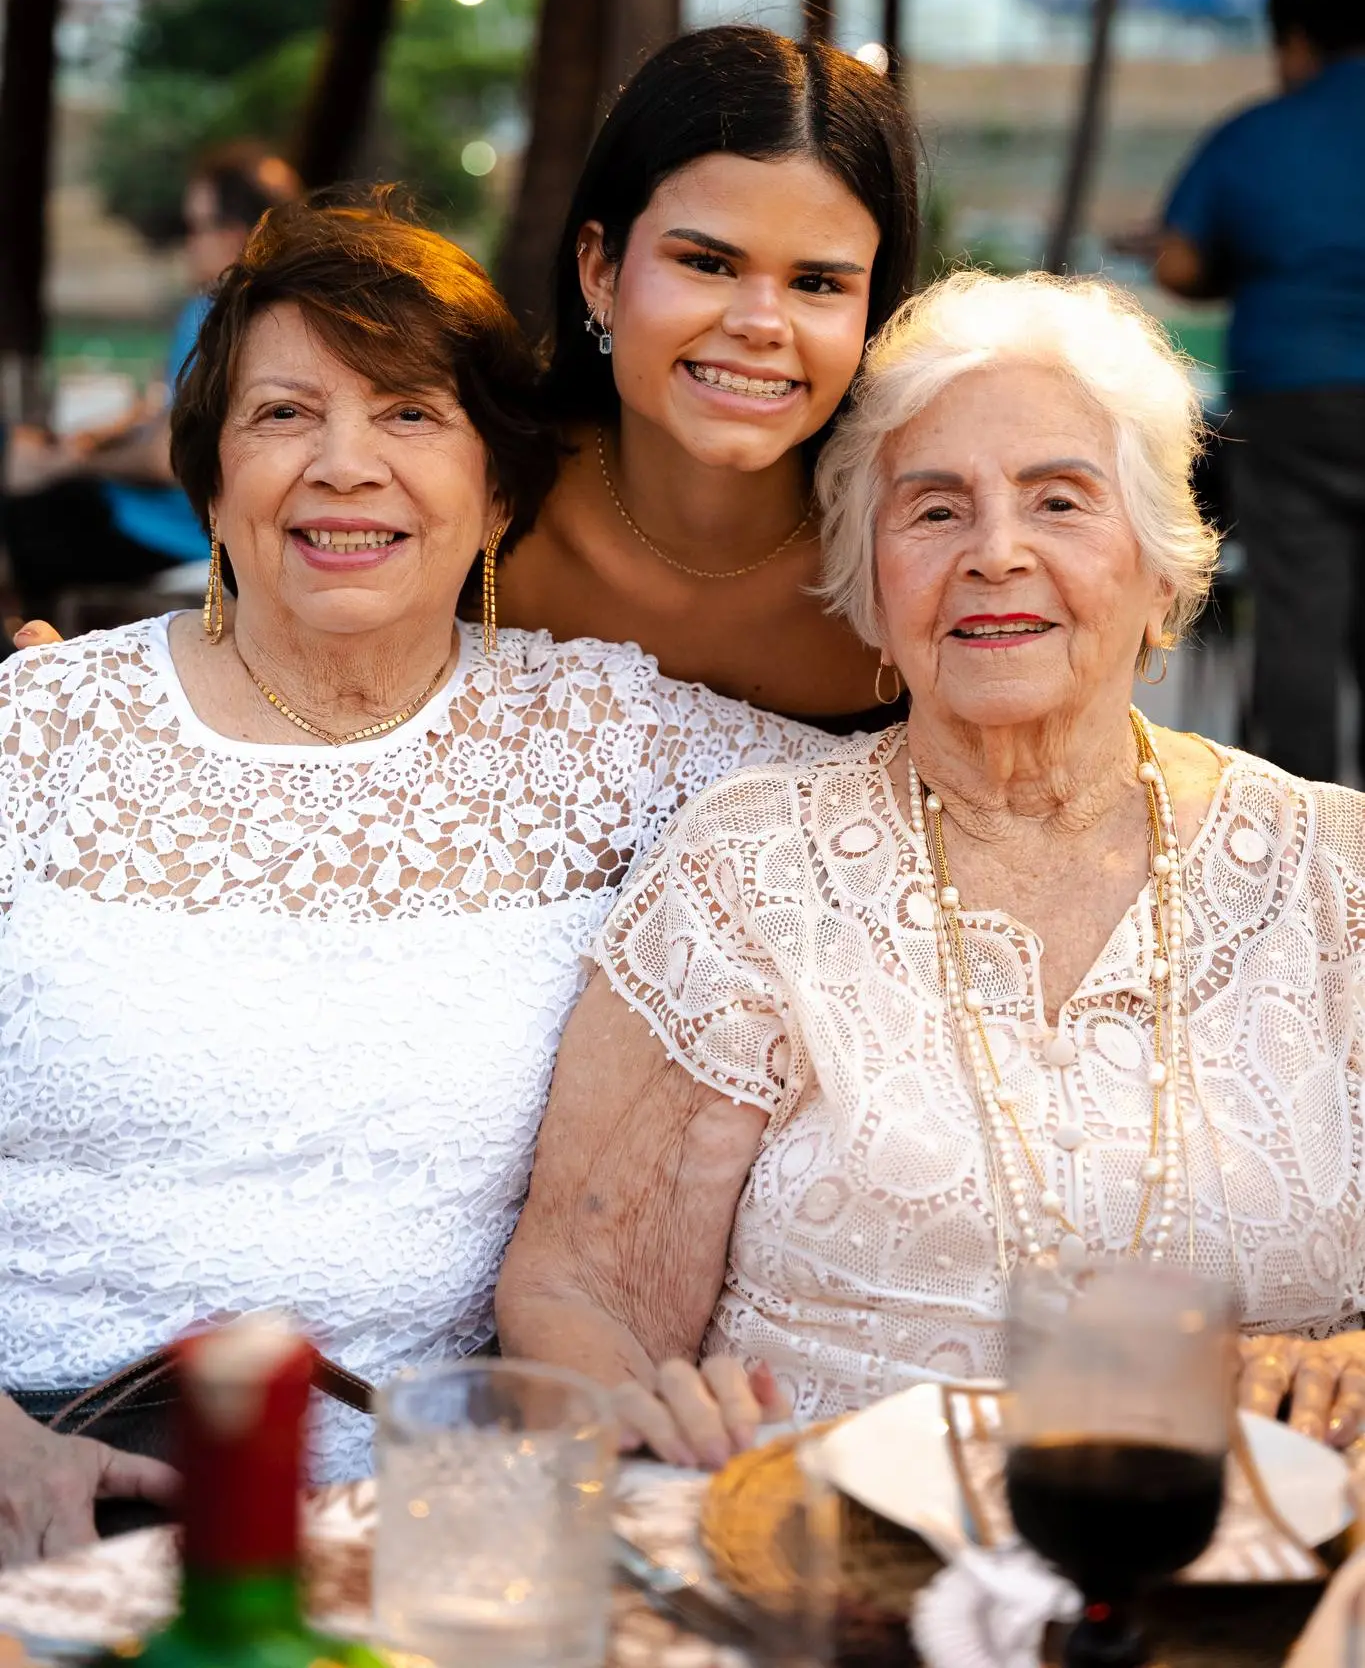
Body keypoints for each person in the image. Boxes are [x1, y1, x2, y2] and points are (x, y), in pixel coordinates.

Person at [0, 193, 832, 1564]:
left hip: (434, 1537)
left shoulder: (606, 735)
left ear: (497, 491)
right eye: (284, 414)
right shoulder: (40, 733)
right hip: (53, 1497)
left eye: (408, 413)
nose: (345, 465)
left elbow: (938, 799)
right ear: (210, 482)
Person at [498, 270, 1365, 1469]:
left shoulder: (1338, 876)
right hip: (822, 1537)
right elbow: (584, 1289)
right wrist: (645, 1421)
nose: (995, 552)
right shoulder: (751, 869)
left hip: (1245, 1544)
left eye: (1059, 500)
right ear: (871, 585)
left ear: (1162, 570)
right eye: (936, 509)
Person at [498, 24, 919, 731]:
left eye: (817, 283)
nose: (761, 324)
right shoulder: (472, 519)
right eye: (706, 264)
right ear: (600, 272)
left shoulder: (924, 569)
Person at [1156, 0, 1365, 781]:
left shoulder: (1255, 133)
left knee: (1297, 614)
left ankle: (1305, 820)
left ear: (1297, 42)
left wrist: (1244, 268)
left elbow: (1176, 263)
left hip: (1294, 397)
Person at [1, 144, 299, 621]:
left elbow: (168, 457)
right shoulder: (278, 316)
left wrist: (72, 463)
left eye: (194, 227)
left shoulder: (215, 312)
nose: (188, 243)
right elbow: (159, 409)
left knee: (30, 511)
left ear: (234, 234)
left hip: (175, 532)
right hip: (211, 529)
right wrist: (86, 444)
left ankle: (33, 650)